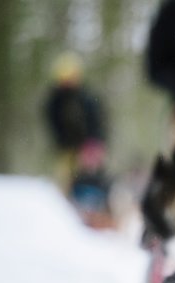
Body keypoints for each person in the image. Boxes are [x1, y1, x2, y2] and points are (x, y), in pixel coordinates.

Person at [44, 52, 112, 227]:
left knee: (92, 179)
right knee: (65, 181)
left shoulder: (86, 98)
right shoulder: (55, 101)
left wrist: (94, 144)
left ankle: (95, 216)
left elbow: (97, 121)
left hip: (88, 146)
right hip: (67, 149)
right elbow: (54, 124)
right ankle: (66, 218)